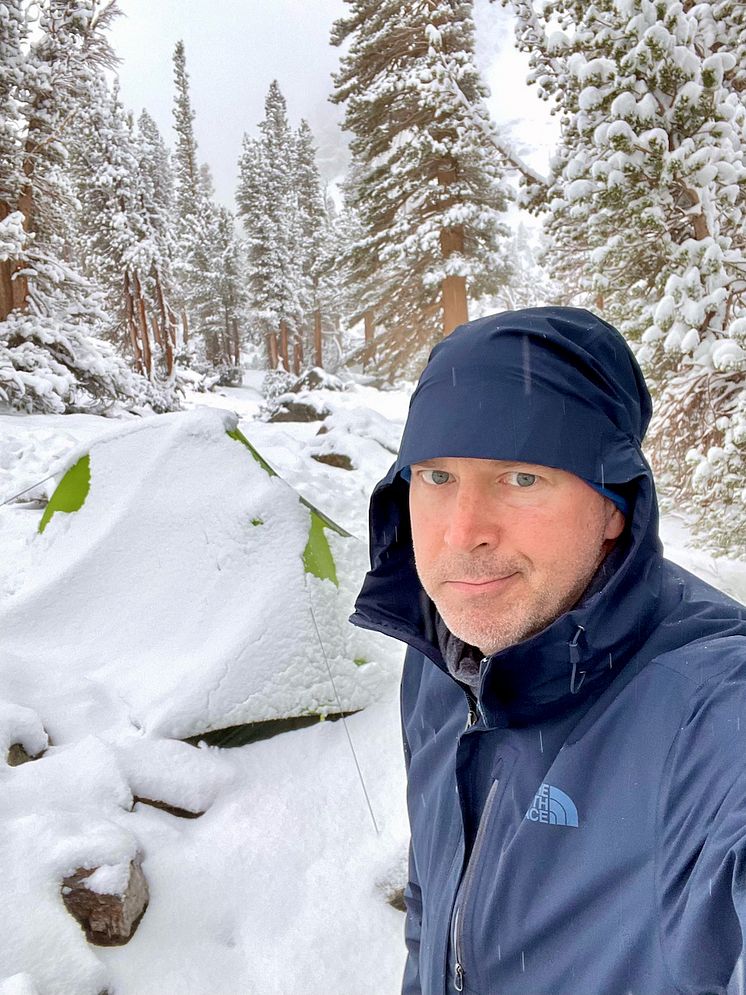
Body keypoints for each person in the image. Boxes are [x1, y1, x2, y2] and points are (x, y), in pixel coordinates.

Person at [350, 306, 746, 995]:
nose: (463, 532)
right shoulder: (442, 659)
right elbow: (431, 901)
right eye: (437, 477)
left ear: (614, 503)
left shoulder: (712, 711)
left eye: (521, 477)